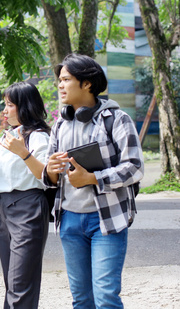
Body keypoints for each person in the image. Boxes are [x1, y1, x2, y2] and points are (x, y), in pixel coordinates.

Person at [44, 53, 144, 308]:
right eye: (60, 80)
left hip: (106, 220)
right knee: (81, 299)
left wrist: (93, 178)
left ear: (87, 83)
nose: (60, 85)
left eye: (66, 79)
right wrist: (52, 169)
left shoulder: (117, 120)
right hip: (69, 220)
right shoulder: (59, 125)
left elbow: (134, 167)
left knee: (106, 297)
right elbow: (52, 178)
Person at [0, 82, 51, 309]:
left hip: (28, 206)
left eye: (10, 104)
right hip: (5, 208)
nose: (5, 110)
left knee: (20, 281)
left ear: (25, 106)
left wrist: (23, 152)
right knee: (12, 280)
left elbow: (45, 175)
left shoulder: (38, 137)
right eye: (5, 104)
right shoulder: (9, 137)